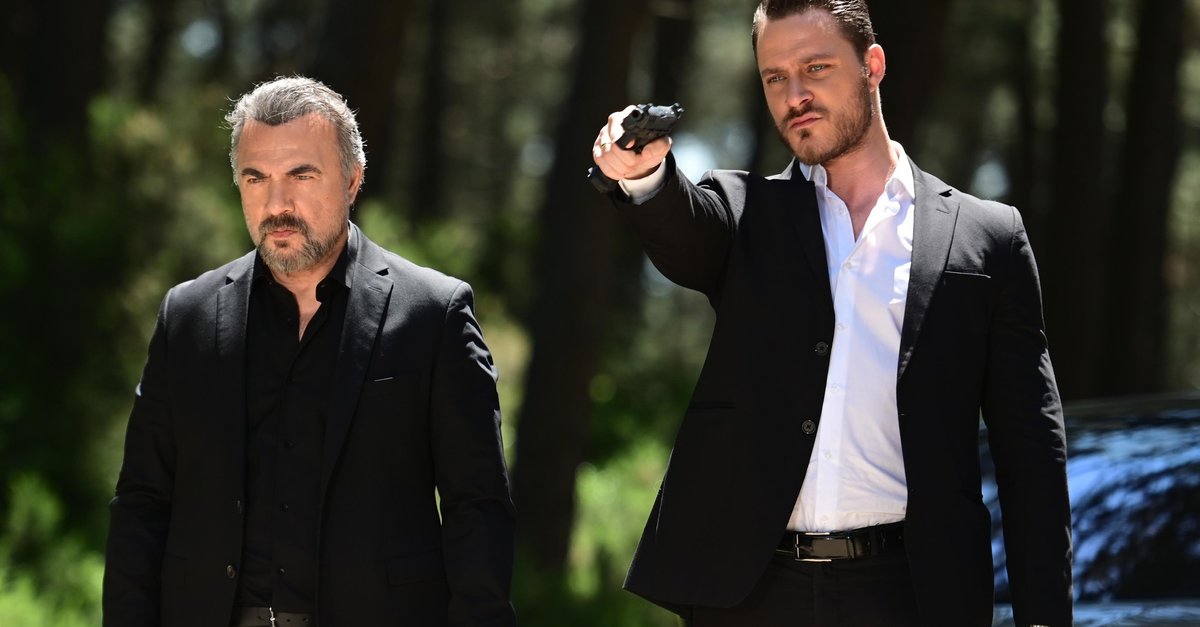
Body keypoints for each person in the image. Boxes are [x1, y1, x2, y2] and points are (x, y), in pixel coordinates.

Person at [590, 1, 1071, 626]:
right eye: (775, 77)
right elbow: (684, 229)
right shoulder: (744, 213)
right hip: (751, 597)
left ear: (873, 65)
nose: (795, 95)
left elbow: (1031, 450)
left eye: (815, 68)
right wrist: (645, 175)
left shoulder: (988, 237)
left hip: (912, 594)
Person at [103, 76, 516, 627]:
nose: (277, 204)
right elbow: (142, 503)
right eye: (256, 178)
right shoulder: (187, 315)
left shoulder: (434, 314)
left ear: (352, 180)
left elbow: (477, 508)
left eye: (301, 175)